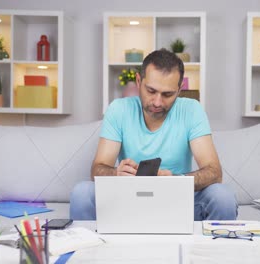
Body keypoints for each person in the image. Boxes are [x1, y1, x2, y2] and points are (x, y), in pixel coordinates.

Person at [70, 49, 238, 220]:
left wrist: (176, 180)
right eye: (151, 91)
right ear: (138, 81)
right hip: (128, 202)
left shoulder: (192, 109)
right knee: (82, 192)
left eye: (167, 94)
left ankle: (208, 248)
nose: (157, 102)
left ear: (180, 89)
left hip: (178, 203)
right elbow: (97, 168)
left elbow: (214, 172)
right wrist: (116, 174)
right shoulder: (118, 109)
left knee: (222, 197)